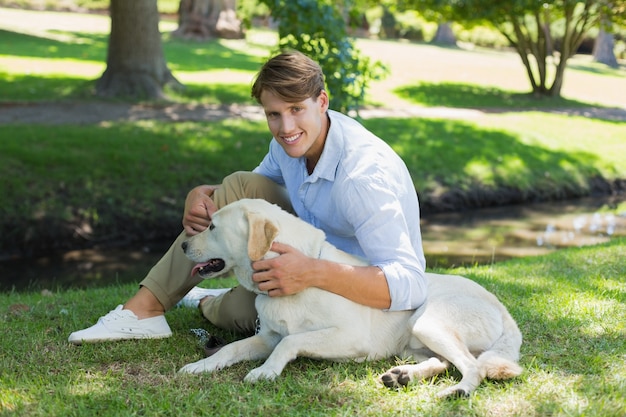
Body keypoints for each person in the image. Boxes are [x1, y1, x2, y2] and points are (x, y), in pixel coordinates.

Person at [68, 50, 428, 344]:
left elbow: (409, 284)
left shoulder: (362, 177)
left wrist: (313, 272)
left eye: (296, 110)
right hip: (304, 255)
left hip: (350, 293)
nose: (286, 128)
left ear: (322, 101)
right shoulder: (288, 144)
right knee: (239, 185)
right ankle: (144, 310)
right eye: (274, 114)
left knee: (240, 314)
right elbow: (244, 198)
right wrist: (202, 193)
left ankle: (207, 301)